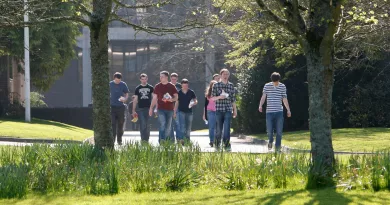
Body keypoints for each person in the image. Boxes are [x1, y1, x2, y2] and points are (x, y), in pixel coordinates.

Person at [258, 72, 291, 151]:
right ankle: (270, 141)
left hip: (279, 111)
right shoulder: (267, 86)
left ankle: (277, 147)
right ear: (271, 80)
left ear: (279, 80)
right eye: (274, 82)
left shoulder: (282, 86)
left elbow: (284, 99)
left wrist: (288, 110)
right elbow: (264, 96)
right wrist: (260, 105)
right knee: (269, 131)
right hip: (269, 112)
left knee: (279, 131)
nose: (275, 83)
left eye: (276, 82)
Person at [149, 71, 178, 144]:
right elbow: (154, 98)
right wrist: (151, 108)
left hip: (170, 109)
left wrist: (172, 99)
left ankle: (166, 140)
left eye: (162, 76)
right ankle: (161, 140)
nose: (160, 78)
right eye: (160, 76)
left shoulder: (171, 86)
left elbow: (176, 97)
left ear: (166, 77)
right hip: (160, 109)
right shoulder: (157, 86)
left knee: (168, 126)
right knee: (162, 123)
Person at [211, 69, 237, 149]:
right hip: (219, 109)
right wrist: (220, 97)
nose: (225, 76)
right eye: (224, 74)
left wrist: (235, 110)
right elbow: (212, 98)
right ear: (221, 75)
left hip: (228, 109)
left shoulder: (231, 85)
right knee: (219, 129)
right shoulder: (216, 85)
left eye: (227, 74)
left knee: (227, 128)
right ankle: (217, 143)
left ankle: (226, 144)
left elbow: (233, 99)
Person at [174, 79, 198, 144]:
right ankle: (182, 139)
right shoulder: (179, 93)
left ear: (188, 85)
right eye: (184, 86)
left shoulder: (191, 92)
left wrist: (194, 103)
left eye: (186, 85)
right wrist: (174, 112)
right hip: (181, 111)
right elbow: (177, 103)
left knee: (188, 126)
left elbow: (195, 100)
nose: (185, 87)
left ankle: (187, 140)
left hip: (189, 112)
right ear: (181, 85)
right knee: (182, 126)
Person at [132, 73, 154, 142]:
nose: (144, 80)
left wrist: (153, 108)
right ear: (140, 80)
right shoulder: (138, 88)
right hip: (140, 109)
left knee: (147, 124)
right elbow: (135, 99)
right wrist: (133, 110)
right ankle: (143, 139)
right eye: (142, 79)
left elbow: (154, 98)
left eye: (145, 79)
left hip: (148, 108)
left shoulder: (151, 87)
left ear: (147, 79)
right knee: (142, 123)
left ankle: (146, 139)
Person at [109, 72, 129, 145]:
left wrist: (125, 99)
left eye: (119, 80)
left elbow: (126, 93)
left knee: (120, 123)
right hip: (112, 107)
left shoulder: (123, 84)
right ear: (114, 78)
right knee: (113, 123)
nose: (118, 82)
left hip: (120, 107)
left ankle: (119, 140)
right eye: (117, 80)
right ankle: (112, 140)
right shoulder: (110, 84)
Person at [203, 80, 218, 147]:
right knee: (211, 127)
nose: (214, 86)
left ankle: (217, 140)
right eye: (213, 84)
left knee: (218, 127)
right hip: (210, 111)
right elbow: (205, 105)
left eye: (216, 84)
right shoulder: (208, 94)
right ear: (211, 86)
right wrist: (204, 114)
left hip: (218, 111)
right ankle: (212, 141)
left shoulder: (220, 92)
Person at [169, 72, 182, 142]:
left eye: (175, 79)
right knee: (170, 124)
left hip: (178, 106)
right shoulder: (167, 85)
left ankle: (179, 138)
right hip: (169, 106)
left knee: (178, 123)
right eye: (172, 79)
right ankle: (171, 139)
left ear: (177, 79)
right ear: (170, 78)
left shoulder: (180, 86)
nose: (174, 80)